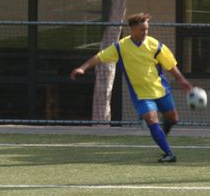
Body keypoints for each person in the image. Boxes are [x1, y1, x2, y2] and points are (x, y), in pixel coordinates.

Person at [70, 12, 193, 162]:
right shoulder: (121, 47)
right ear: (132, 29)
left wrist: (182, 81)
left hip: (161, 90)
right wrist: (83, 68)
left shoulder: (154, 45)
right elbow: (99, 57)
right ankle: (168, 153)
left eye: (147, 29)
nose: (145, 32)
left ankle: (161, 137)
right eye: (142, 29)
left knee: (173, 119)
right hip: (141, 94)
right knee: (152, 119)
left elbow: (171, 66)